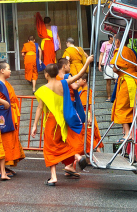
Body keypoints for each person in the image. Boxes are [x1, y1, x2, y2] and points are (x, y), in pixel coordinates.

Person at [31, 55, 94, 186]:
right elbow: (78, 76)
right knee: (62, 143)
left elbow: (39, 108)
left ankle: (53, 176)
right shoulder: (63, 83)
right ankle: (76, 157)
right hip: (63, 121)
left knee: (49, 148)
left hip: (51, 121)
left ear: (46, 74)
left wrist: (34, 125)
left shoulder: (43, 89)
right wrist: (87, 62)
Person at [0, 62, 26, 177]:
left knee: (8, 140)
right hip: (3, 116)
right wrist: (4, 102)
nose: (10, 71)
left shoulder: (4, 83)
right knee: (3, 141)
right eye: (8, 69)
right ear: (2, 71)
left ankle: (3, 167)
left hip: (8, 114)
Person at [111, 32, 137, 142]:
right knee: (131, 107)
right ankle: (130, 132)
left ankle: (128, 133)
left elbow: (115, 68)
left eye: (114, 41)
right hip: (134, 80)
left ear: (117, 41)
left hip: (128, 81)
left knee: (121, 107)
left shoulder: (120, 51)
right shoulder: (130, 51)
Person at [78, 73, 104, 153]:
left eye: (79, 79)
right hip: (84, 116)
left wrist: (90, 117)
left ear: (84, 80)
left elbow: (91, 104)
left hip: (87, 116)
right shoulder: (83, 91)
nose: (77, 81)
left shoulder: (87, 91)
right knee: (87, 137)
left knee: (89, 136)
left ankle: (99, 155)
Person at [99, 34, 117, 102]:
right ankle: (109, 96)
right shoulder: (105, 44)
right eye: (114, 37)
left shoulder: (117, 43)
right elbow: (101, 54)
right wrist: (99, 64)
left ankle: (116, 96)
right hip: (107, 64)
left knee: (116, 80)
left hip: (115, 64)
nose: (115, 38)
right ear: (110, 37)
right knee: (108, 80)